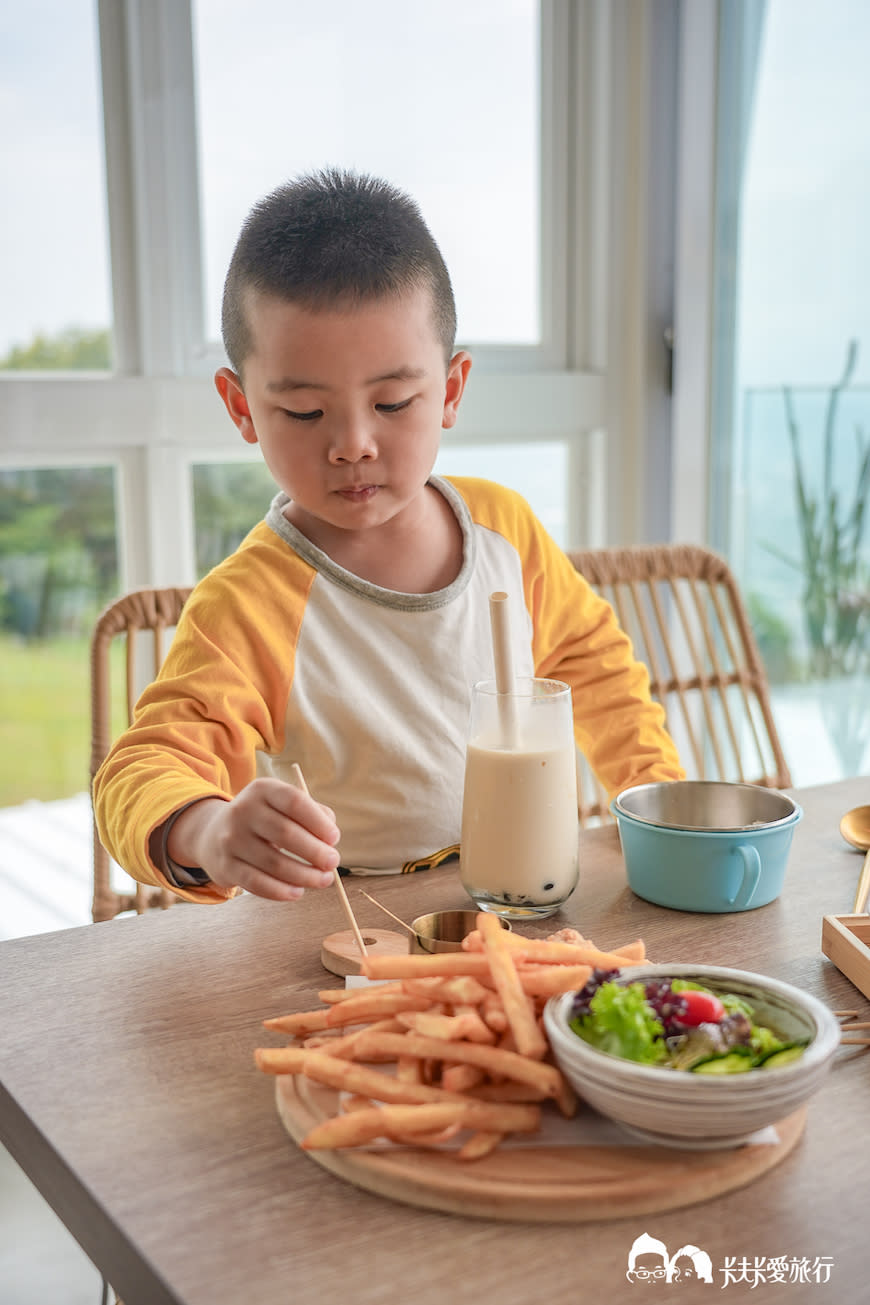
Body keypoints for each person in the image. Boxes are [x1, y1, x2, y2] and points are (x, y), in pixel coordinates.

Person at [93, 168, 684, 904]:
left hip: (529, 903)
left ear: (452, 391)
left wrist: (658, 805)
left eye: (394, 402)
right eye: (306, 413)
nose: (352, 444)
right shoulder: (248, 606)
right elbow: (140, 768)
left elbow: (596, 670)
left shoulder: (506, 530)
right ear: (241, 406)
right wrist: (209, 831)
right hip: (343, 938)